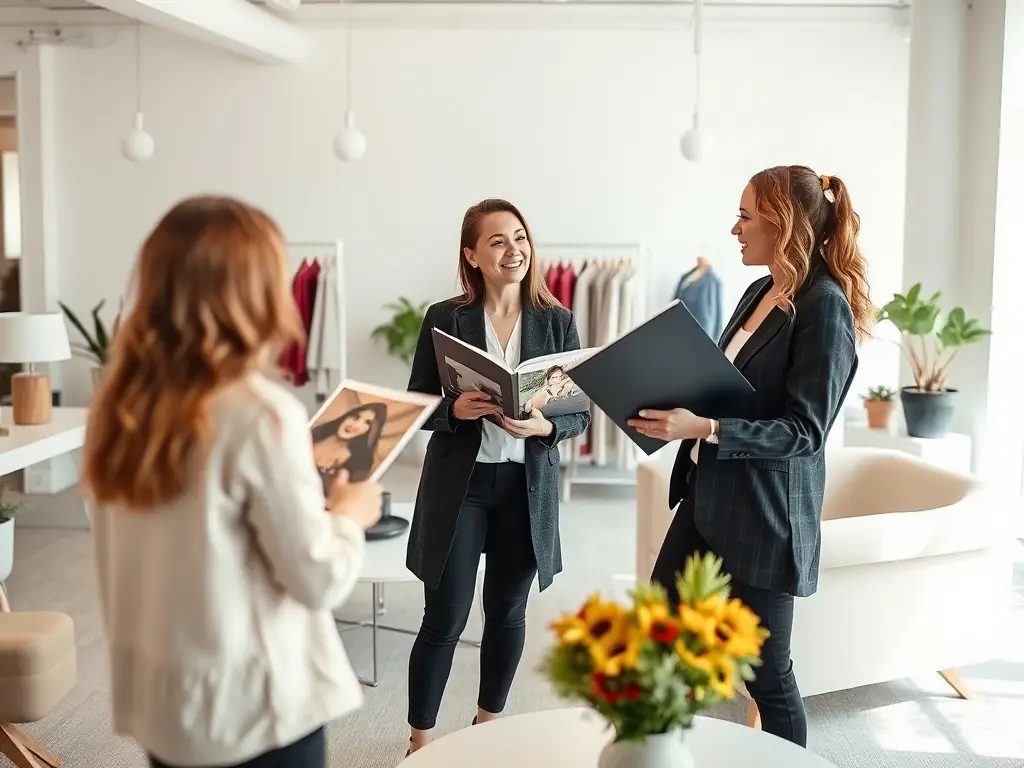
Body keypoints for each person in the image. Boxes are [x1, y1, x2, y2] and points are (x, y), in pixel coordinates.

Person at [83, 195, 384, 768]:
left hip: (167, 711)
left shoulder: (118, 411)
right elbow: (316, 579)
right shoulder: (259, 414)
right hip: (254, 715)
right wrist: (349, 513)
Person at [628, 167, 873, 748]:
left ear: (783, 225)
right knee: (657, 637)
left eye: (745, 216)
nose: (734, 228)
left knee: (768, 677)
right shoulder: (758, 292)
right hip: (707, 497)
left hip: (764, 518)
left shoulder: (824, 308)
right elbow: (733, 388)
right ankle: (651, 753)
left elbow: (804, 431)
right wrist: (670, 394)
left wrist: (708, 427)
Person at [404, 199, 591, 754]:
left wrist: (543, 426)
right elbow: (416, 402)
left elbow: (577, 414)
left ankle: (487, 731)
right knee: (445, 615)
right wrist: (452, 410)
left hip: (524, 492)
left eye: (520, 238)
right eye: (498, 241)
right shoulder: (445, 318)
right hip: (460, 489)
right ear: (472, 256)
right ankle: (420, 744)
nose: (514, 250)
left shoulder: (557, 321)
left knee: (508, 613)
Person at [311, 402, 387, 494]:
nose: (355, 425)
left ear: (372, 431)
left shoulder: (357, 463)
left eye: (367, 423)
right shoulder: (316, 433)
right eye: (356, 417)